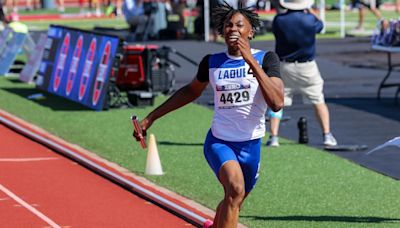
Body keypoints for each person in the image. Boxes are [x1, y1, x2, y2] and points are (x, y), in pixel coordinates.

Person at [133, 2, 284, 226]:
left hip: (251, 146)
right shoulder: (212, 63)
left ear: (250, 32)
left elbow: (277, 103)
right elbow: (189, 92)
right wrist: (150, 118)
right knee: (235, 190)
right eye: (228, 25)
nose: (233, 29)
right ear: (222, 32)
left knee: (234, 202)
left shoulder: (266, 60)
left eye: (239, 25)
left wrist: (249, 59)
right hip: (220, 142)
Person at [266, 0, 337, 147]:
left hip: (284, 65)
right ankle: (327, 135)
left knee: (278, 100)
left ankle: (274, 137)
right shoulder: (310, 19)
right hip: (307, 66)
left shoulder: (279, 20)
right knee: (318, 100)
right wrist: (310, 11)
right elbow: (321, 25)